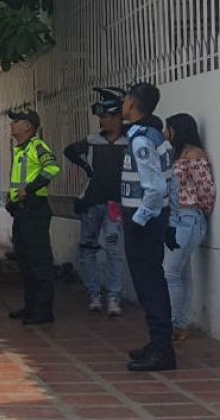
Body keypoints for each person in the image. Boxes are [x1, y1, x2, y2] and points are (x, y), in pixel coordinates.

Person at [120, 83, 180, 371]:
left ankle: (162, 349)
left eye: (124, 100)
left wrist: (140, 219)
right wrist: (170, 220)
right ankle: (157, 343)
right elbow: (173, 182)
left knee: (150, 286)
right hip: (157, 220)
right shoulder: (158, 136)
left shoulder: (141, 140)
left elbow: (155, 188)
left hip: (144, 222)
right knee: (152, 283)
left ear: (131, 102)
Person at [64, 87, 129, 317]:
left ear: (118, 116)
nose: (102, 121)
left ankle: (113, 297)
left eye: (106, 116)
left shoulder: (130, 141)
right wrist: (86, 168)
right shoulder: (92, 140)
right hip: (91, 202)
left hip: (115, 204)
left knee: (114, 251)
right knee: (88, 248)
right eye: (100, 117)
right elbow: (69, 151)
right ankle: (94, 294)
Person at [5, 109, 61, 325]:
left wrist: (28, 190)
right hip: (22, 211)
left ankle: (43, 311)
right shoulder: (22, 149)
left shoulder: (37, 146)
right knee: (25, 261)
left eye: (17, 121)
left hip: (34, 209)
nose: (13, 124)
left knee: (39, 262)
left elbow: (53, 167)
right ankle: (30, 307)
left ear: (29, 126)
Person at [163, 113, 216, 341]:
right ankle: (180, 325)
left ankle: (172, 323)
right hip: (176, 219)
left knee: (170, 272)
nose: (166, 133)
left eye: (169, 129)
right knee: (180, 273)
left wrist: (201, 211)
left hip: (189, 217)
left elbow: (206, 189)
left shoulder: (194, 154)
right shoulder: (176, 155)